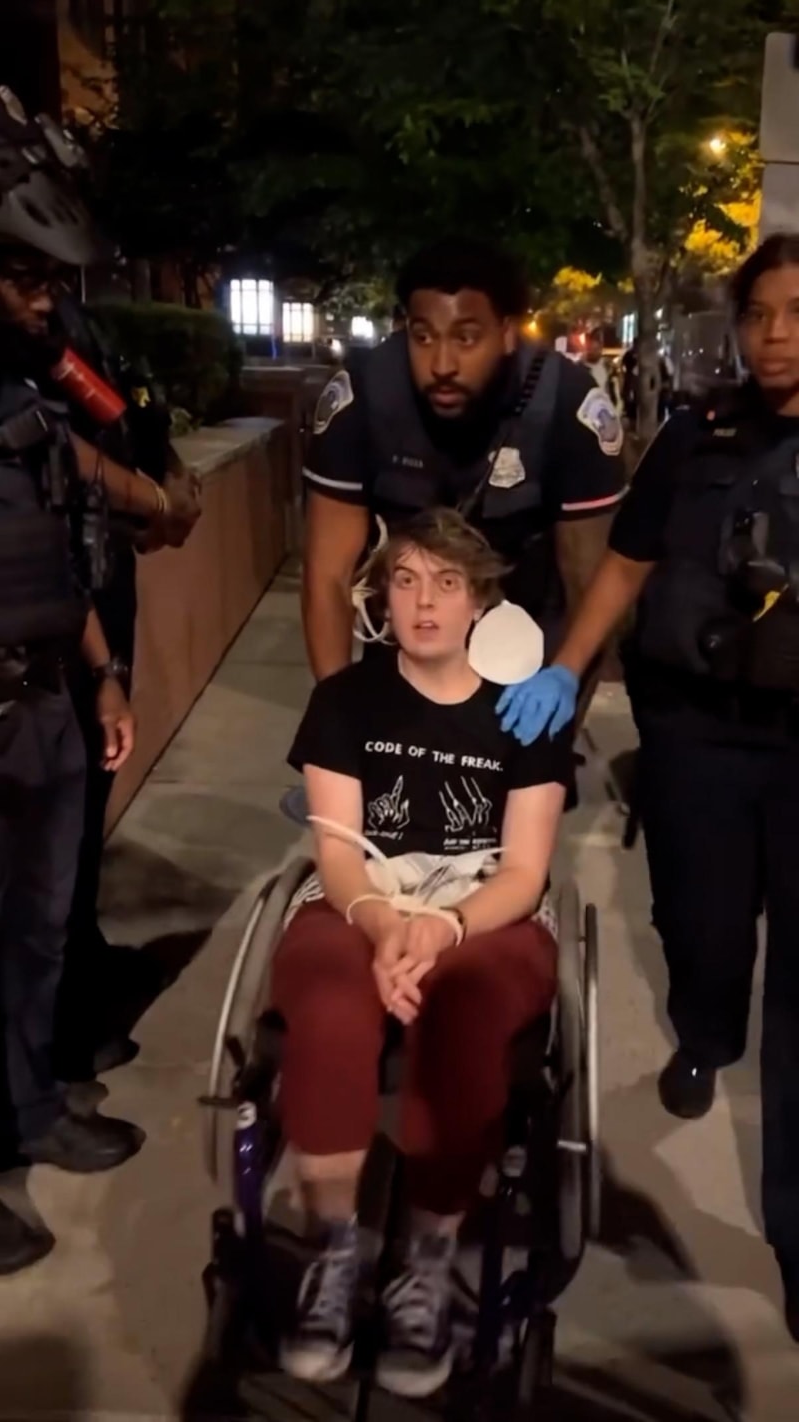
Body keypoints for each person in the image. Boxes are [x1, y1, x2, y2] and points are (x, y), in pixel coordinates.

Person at [498, 233, 799, 1340]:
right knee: (702, 933)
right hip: (694, 735)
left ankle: (794, 1231)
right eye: (758, 313)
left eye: (795, 313)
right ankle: (704, 1031)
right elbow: (625, 562)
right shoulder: (692, 435)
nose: (774, 335)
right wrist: (565, 670)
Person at [275, 510, 571, 1397]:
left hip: (483, 905)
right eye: (405, 581)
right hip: (363, 892)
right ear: (381, 598)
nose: (425, 602)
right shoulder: (345, 701)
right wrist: (379, 924)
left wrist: (444, 930)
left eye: (447, 583)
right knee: (329, 1006)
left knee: (464, 1010)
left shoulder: (524, 715)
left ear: (481, 600)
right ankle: (335, 1251)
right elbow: (336, 856)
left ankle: (428, 1262)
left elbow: (524, 872)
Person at [0, 89, 145, 1274]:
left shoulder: (28, 399)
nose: (44, 302)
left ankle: (28, 1106)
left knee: (39, 932)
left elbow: (59, 551)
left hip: (49, 696)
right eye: (24, 279)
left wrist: (103, 678)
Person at [302, 238, 627, 693]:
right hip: (403, 656)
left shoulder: (566, 405)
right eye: (423, 336)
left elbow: (588, 584)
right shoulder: (364, 397)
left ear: (508, 332)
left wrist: (564, 684)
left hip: (527, 654)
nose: (442, 364)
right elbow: (328, 576)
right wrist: (335, 711)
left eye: (466, 337)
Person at [49, 291, 200, 1082]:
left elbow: (129, 412)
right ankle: (54, 1036)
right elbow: (50, 444)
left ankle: (80, 964)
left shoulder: (67, 317)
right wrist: (154, 499)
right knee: (52, 824)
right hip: (51, 601)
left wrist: (166, 477)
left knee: (84, 806)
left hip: (101, 579)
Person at [582, 328, 620, 410]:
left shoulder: (608, 366)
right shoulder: (580, 368)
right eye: (590, 349)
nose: (592, 352)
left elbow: (614, 389)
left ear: (601, 349)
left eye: (596, 349)